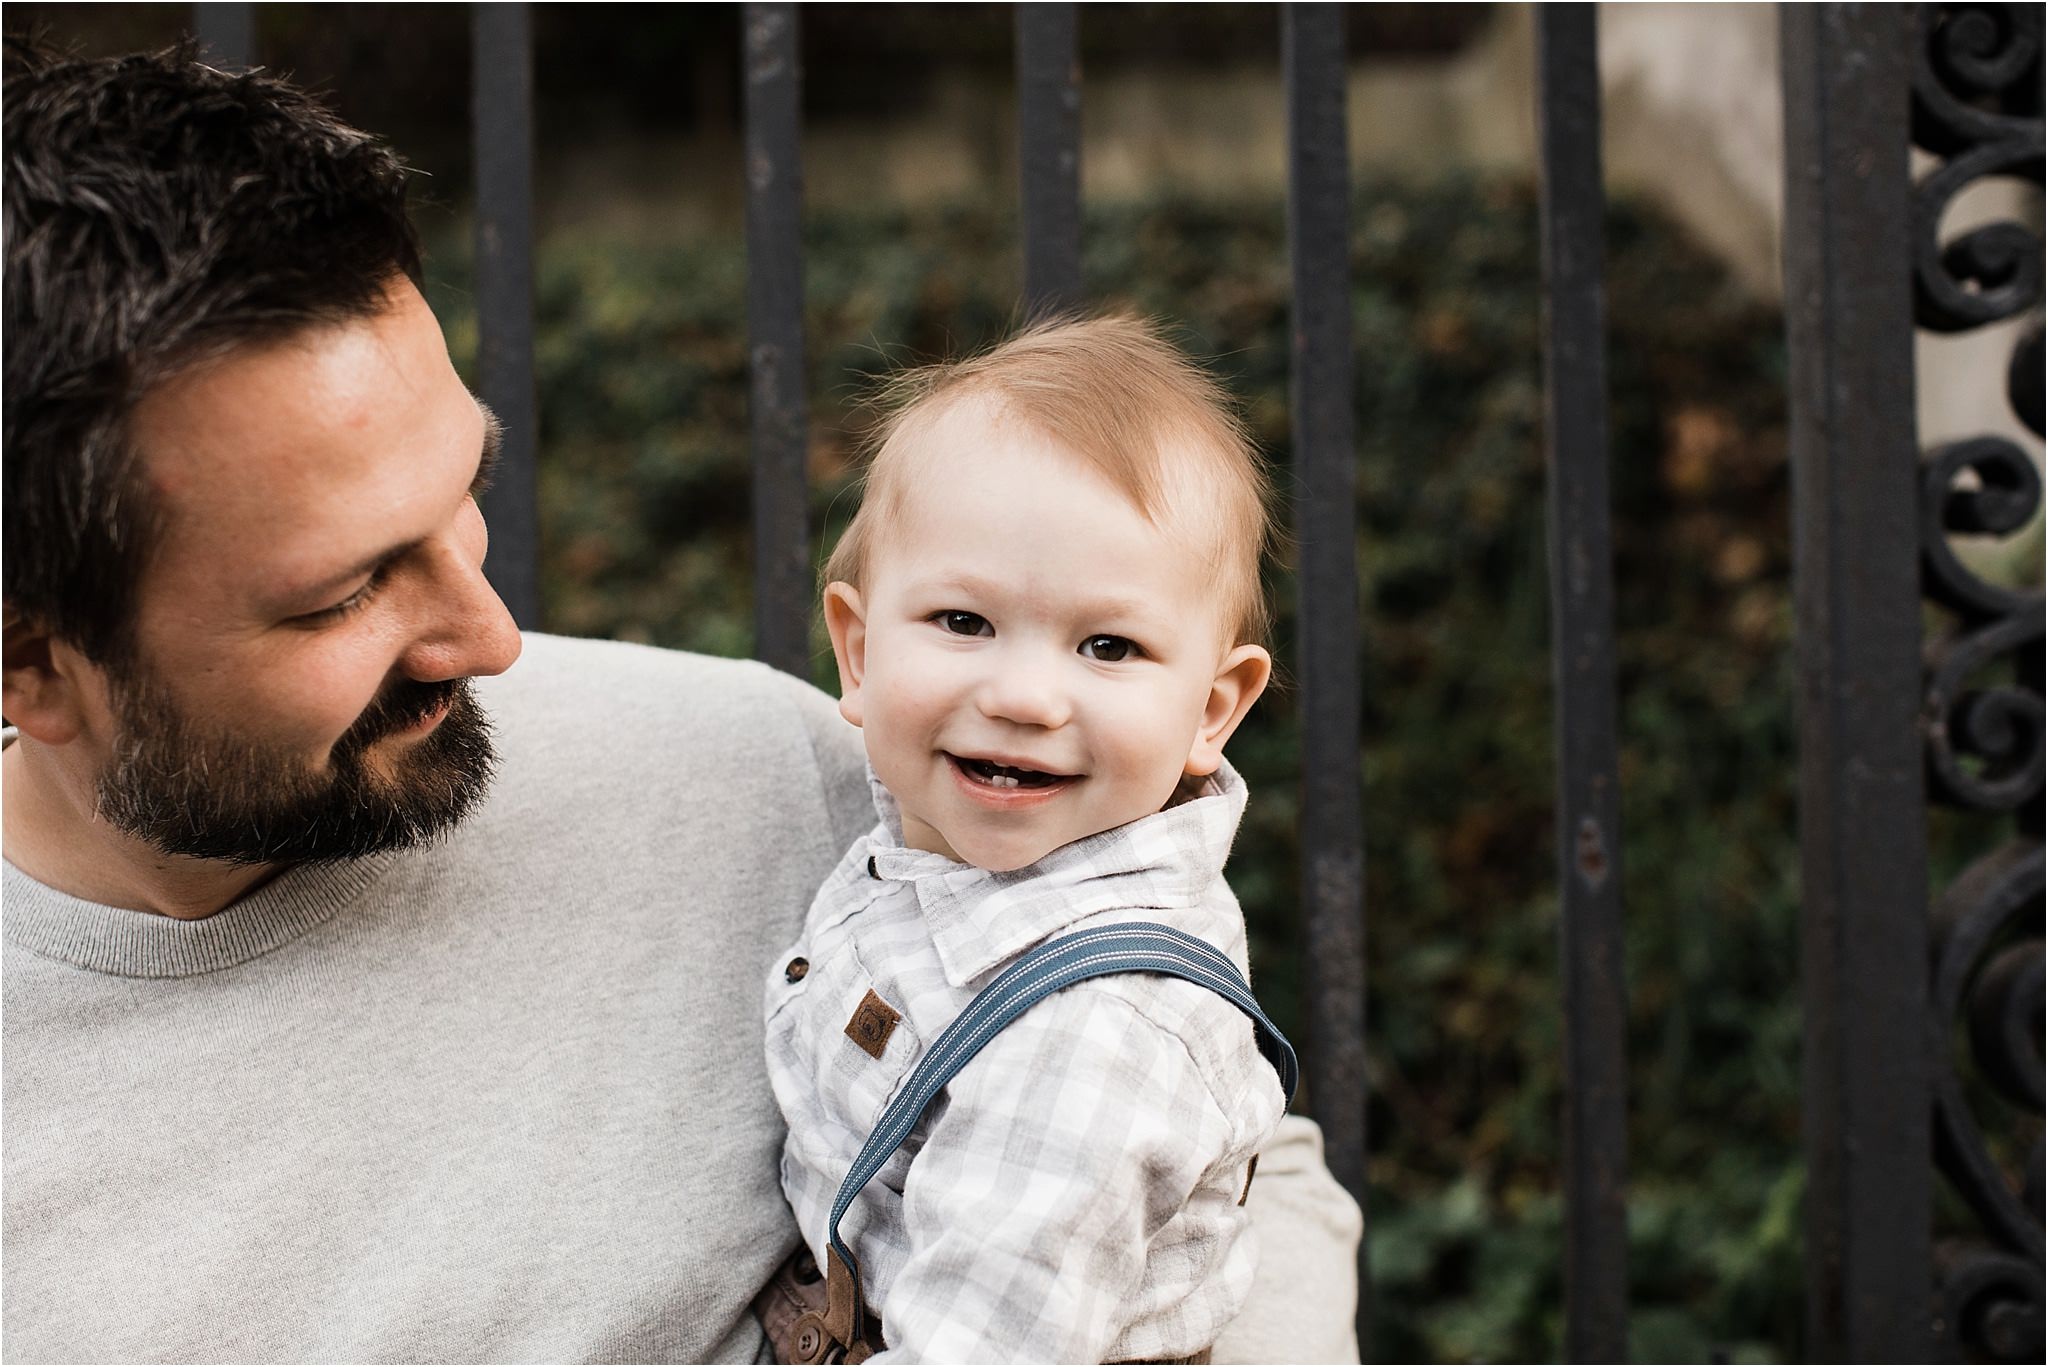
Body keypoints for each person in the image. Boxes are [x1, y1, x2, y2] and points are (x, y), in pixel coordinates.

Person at [0, 40, 1361, 1364]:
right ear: (33, 661)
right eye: (343, 591)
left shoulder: (776, 773)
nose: (492, 638)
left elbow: (1232, 1166)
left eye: (465, 497)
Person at [767, 316, 1295, 1363]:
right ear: (859, 652)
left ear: (1211, 707)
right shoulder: (928, 849)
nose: (1020, 696)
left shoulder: (1089, 1035)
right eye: (963, 621)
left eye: (1108, 644)